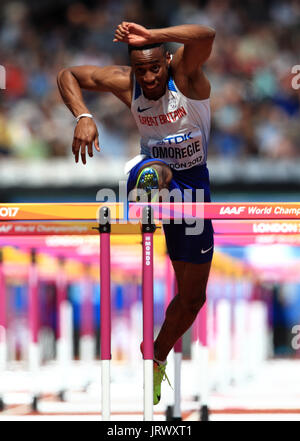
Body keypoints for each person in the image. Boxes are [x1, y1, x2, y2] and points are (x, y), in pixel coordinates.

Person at [57, 21, 215, 405]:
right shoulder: (128, 83)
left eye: (154, 68)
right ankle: (146, 197)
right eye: (140, 70)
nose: (147, 77)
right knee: (154, 171)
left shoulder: (187, 78)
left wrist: (153, 36)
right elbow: (68, 75)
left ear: (167, 60)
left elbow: (206, 35)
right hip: (150, 174)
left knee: (193, 299)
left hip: (193, 188)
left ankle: (156, 353)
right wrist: (82, 116)